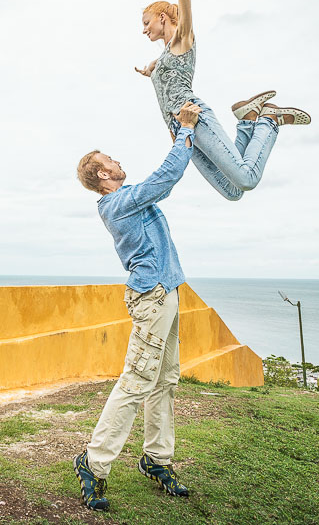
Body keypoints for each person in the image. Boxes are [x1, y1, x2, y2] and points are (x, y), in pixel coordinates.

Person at [72, 100, 202, 511]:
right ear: (102, 174)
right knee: (135, 382)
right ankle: (93, 464)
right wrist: (185, 132)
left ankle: (156, 459)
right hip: (152, 297)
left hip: (168, 291)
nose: (117, 159)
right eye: (109, 158)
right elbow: (165, 179)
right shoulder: (116, 203)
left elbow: (164, 177)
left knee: (165, 380)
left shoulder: (126, 198)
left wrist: (182, 141)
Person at [134, 0, 311, 201]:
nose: (143, 29)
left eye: (146, 22)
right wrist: (151, 69)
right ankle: (247, 119)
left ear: (162, 17)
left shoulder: (182, 38)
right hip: (181, 130)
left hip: (194, 117)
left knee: (246, 179)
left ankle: (268, 120)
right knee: (233, 192)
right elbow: (166, 72)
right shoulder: (165, 55)